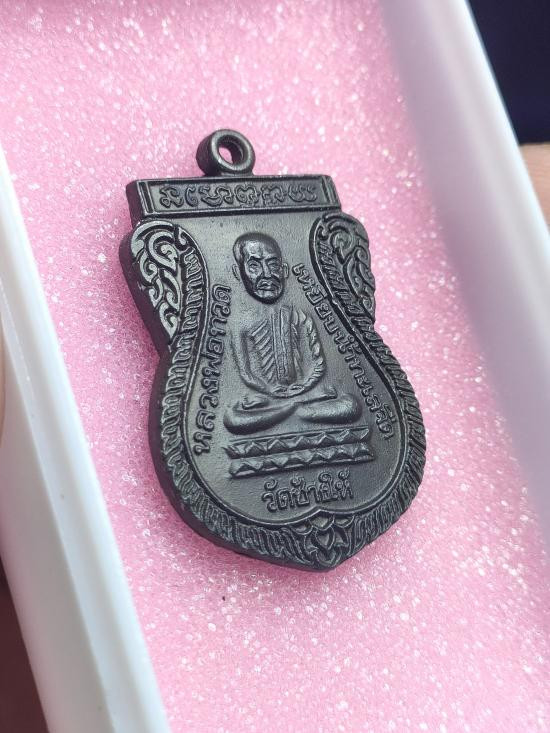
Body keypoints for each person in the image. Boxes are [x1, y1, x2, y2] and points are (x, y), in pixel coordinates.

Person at [224, 232, 361, 435]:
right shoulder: (240, 324)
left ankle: (292, 410)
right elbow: (246, 373)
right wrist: (269, 390)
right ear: (238, 272)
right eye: (254, 266)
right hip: (266, 401)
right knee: (234, 418)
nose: (267, 274)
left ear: (284, 270)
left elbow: (317, 363)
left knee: (350, 405)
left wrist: (304, 387)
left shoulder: (299, 315)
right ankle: (292, 410)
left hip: (306, 396)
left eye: (273, 265)